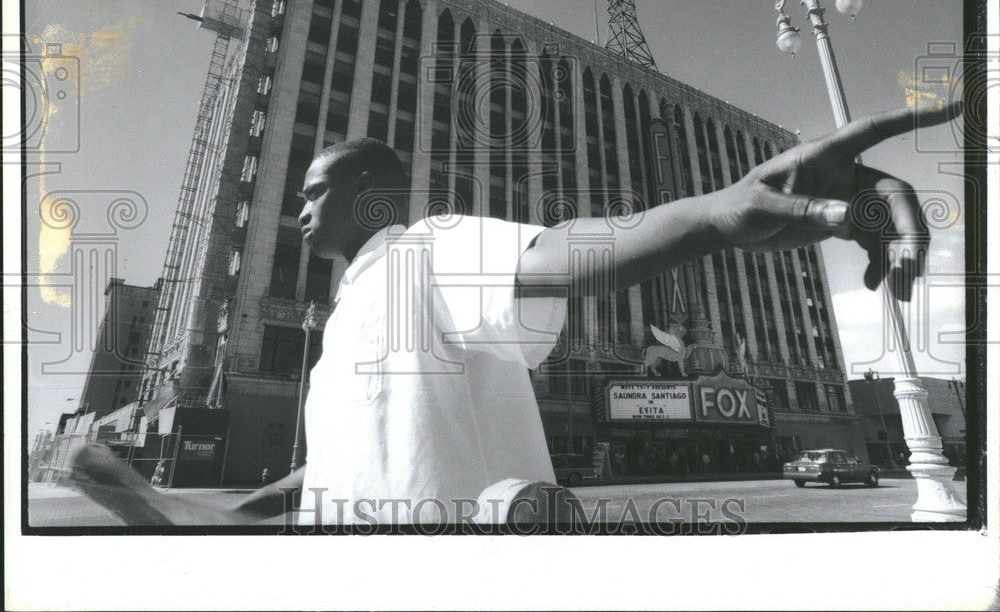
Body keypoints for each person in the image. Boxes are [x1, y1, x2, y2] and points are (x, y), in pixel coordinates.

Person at [69, 101, 961, 527]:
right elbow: (360, 469)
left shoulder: (426, 248)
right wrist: (202, 512)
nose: (301, 209)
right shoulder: (351, 312)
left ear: (374, 197)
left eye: (317, 191)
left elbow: (560, 253)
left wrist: (714, 213)